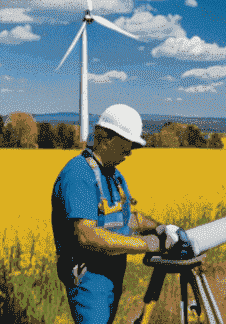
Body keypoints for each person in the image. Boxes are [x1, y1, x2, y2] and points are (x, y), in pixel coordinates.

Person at [50, 105, 178, 324]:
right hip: (88, 279)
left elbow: (128, 217)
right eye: (127, 145)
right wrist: (148, 244)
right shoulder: (78, 174)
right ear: (105, 137)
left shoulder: (114, 176)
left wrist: (160, 228)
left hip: (112, 275)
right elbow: (86, 235)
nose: (129, 153)